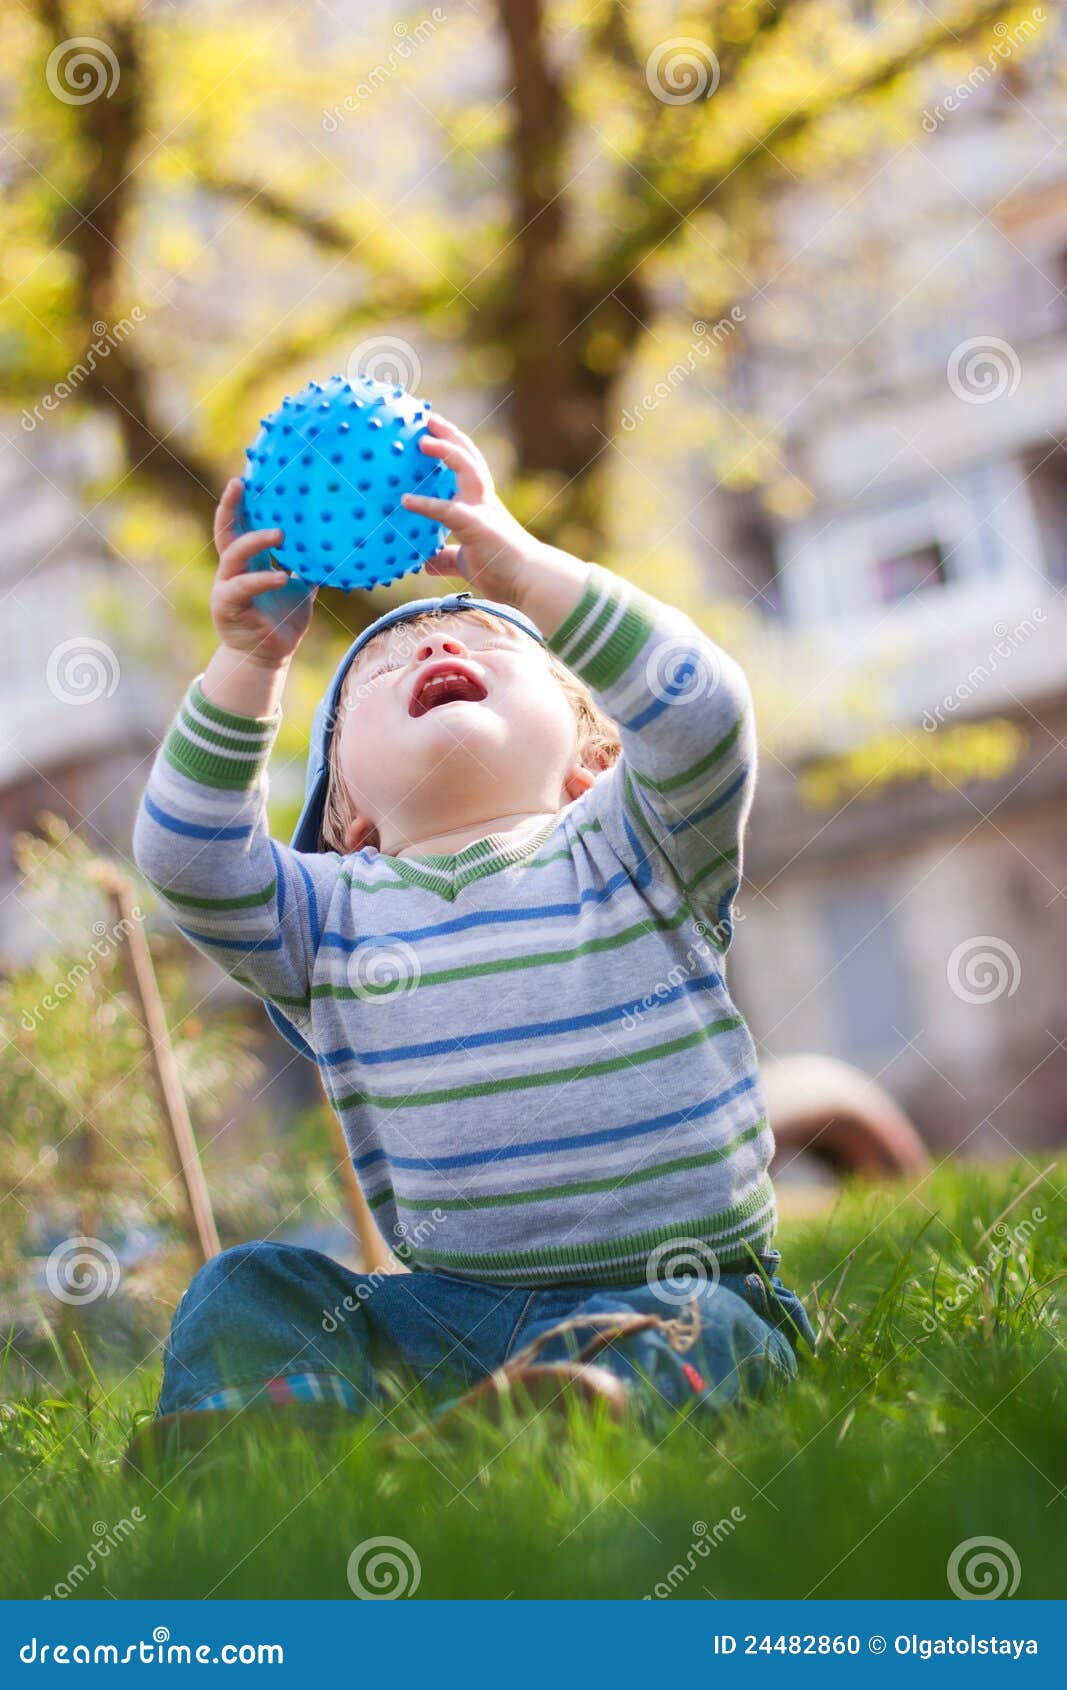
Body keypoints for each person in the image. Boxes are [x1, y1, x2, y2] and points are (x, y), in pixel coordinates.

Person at [129, 410, 814, 1466]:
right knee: (250, 1283)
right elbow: (186, 862)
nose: (442, 643)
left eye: (493, 643)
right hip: (450, 1317)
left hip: (682, 1285)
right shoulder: (328, 914)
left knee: (710, 1332)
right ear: (345, 815)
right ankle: (271, 1438)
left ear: (592, 760)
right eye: (380, 670)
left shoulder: (635, 844)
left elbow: (699, 712)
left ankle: (572, 1404)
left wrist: (528, 574)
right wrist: (248, 663)